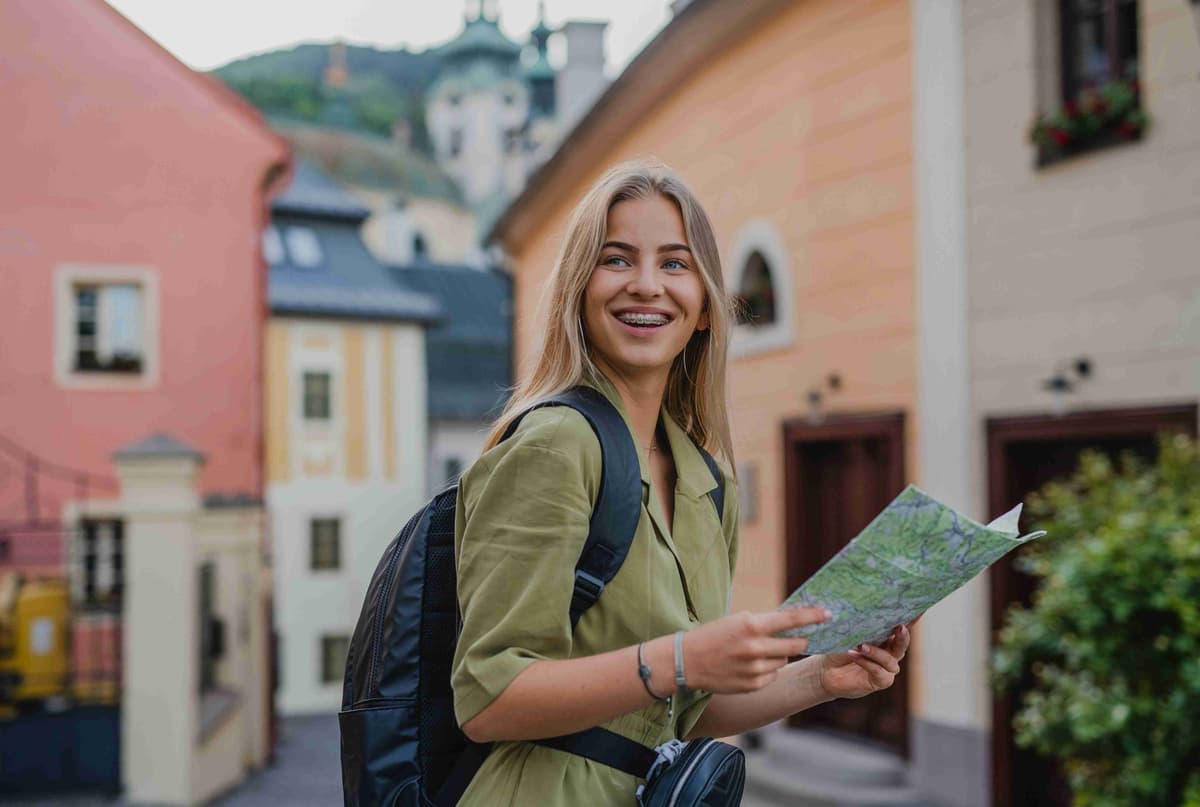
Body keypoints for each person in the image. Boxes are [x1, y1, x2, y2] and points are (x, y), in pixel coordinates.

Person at [450, 160, 910, 806]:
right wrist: (681, 657)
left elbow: (683, 711)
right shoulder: (555, 445)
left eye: (674, 263)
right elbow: (487, 697)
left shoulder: (707, 480)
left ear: (702, 307)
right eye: (616, 260)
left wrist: (820, 678)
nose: (646, 286)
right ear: (579, 291)